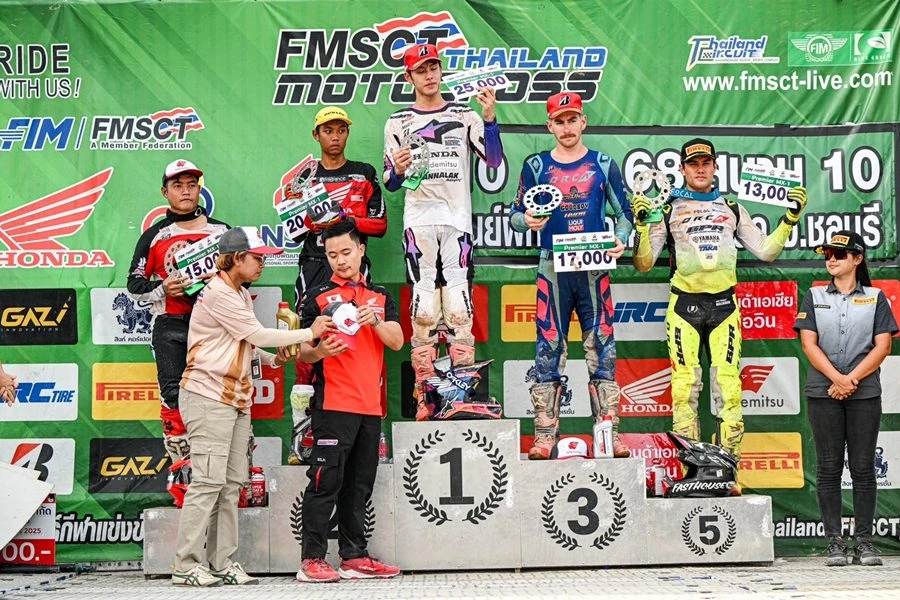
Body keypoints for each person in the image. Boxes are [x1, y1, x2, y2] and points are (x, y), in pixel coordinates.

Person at [172, 226, 333, 587]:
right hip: (208, 396)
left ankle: (221, 562)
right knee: (208, 482)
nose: (262, 264)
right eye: (257, 258)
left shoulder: (240, 293)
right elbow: (256, 334)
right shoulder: (219, 292)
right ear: (235, 258)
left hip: (235, 398)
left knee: (231, 485)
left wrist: (272, 360)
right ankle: (185, 565)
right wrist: (309, 333)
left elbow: (244, 342)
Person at [632, 138, 808, 469]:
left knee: (728, 387)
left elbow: (766, 252)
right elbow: (643, 264)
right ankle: (690, 469)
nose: (700, 169)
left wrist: (789, 219)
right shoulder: (666, 209)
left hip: (724, 305)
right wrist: (641, 227)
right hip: (683, 305)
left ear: (715, 166)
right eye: (693, 164)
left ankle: (727, 469)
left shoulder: (732, 208)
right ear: (682, 169)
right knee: (684, 387)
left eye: (706, 163)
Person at [383, 43, 503, 420]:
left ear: (441, 70)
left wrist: (490, 118)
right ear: (409, 77)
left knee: (458, 310)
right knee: (423, 313)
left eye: (434, 67)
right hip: (419, 223)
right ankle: (425, 397)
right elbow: (389, 181)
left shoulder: (464, 114)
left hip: (457, 223)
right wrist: (398, 170)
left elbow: (493, 161)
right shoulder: (398, 121)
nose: (430, 75)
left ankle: (459, 396)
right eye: (421, 70)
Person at [510, 91, 633, 460]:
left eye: (572, 119)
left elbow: (625, 214)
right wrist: (526, 220)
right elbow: (515, 215)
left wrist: (621, 238)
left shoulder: (603, 164)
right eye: (559, 121)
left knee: (603, 348)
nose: (566, 128)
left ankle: (609, 435)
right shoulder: (535, 166)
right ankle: (545, 436)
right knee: (548, 347)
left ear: (583, 121)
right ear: (550, 126)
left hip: (594, 269)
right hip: (552, 268)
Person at [295, 220, 403, 583]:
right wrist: (319, 351)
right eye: (332, 255)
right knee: (325, 482)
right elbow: (304, 352)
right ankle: (311, 559)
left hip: (370, 408)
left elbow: (397, 341)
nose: (340, 260)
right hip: (333, 406)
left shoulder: (381, 296)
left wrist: (375, 323)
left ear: (361, 250)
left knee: (359, 486)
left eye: (346, 252)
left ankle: (353, 557)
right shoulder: (317, 297)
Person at [284, 106, 387, 464]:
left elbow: (380, 225)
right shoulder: (303, 178)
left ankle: (372, 432)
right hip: (313, 266)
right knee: (306, 341)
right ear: (316, 135)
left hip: (354, 270)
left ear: (347, 133)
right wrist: (311, 221)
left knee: (364, 341)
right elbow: (290, 230)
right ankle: (302, 433)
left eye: (341, 129)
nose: (335, 136)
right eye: (328, 130)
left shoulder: (363, 173)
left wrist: (344, 218)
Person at [794, 231, 897, 567]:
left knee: (864, 467)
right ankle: (834, 543)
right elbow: (808, 344)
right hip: (823, 391)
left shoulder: (876, 298)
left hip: (863, 392)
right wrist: (837, 379)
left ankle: (865, 543)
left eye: (839, 254)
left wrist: (850, 379)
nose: (832, 260)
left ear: (857, 259)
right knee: (828, 467)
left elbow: (883, 346)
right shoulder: (813, 295)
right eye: (828, 254)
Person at [127, 159, 229, 465]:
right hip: (171, 325)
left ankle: (226, 469)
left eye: (191, 185)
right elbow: (134, 285)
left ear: (199, 189)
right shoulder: (154, 236)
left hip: (216, 326)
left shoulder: (223, 231)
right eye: (178, 185)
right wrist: (163, 288)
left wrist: (219, 281)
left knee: (223, 394)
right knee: (173, 396)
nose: (185, 191)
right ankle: (184, 473)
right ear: (165, 192)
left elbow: (246, 276)